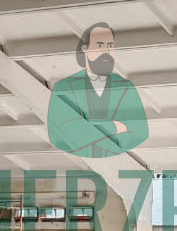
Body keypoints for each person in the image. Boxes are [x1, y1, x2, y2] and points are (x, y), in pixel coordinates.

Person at [47, 23, 148, 157]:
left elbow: (140, 133)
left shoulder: (125, 87)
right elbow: (58, 134)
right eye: (99, 46)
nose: (105, 52)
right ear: (85, 49)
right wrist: (115, 126)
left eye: (109, 47)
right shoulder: (64, 87)